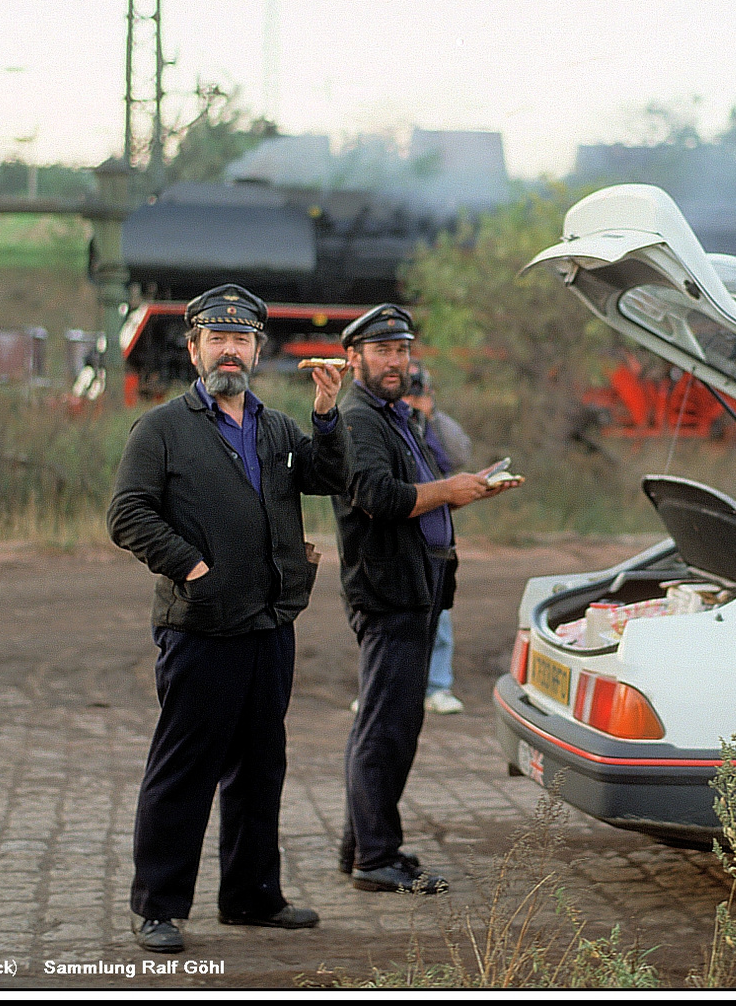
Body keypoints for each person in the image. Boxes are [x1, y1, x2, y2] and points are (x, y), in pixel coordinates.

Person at [107, 284, 348, 954]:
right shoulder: (162, 429)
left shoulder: (274, 428)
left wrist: (327, 414)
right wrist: (191, 567)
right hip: (201, 627)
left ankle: (251, 896)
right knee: (184, 769)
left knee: (260, 767)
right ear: (194, 350)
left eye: (242, 339)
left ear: (257, 349)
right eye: (218, 338)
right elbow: (127, 514)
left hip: (269, 624)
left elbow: (328, 477)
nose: (231, 349)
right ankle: (158, 905)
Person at [332, 304, 519, 893]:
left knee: (392, 724)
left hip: (418, 586)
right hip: (389, 590)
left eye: (402, 350)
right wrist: (448, 490)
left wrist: (466, 492)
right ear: (352, 358)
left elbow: (422, 490)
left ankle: (362, 845)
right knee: (386, 727)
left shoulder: (394, 415)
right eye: (383, 351)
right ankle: (375, 860)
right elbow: (379, 496)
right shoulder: (358, 418)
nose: (396, 361)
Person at [404, 362, 471, 715]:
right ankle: (384, 687)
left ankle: (438, 686)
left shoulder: (432, 427)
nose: (411, 399)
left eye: (417, 391)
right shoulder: (384, 423)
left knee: (438, 618)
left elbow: (457, 455)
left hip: (433, 539)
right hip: (398, 536)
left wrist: (430, 415)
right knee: (388, 624)